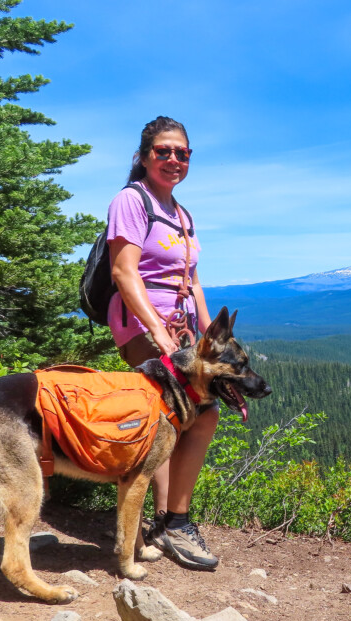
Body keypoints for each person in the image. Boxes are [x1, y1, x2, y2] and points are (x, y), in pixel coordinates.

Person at [105, 116, 219, 571]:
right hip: (143, 326)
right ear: (144, 156)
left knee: (193, 419)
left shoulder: (180, 213)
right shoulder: (132, 201)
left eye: (182, 153)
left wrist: (211, 335)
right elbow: (123, 271)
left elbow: (192, 279)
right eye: (164, 152)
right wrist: (156, 330)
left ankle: (169, 518)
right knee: (181, 417)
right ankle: (171, 522)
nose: (174, 160)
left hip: (183, 329)